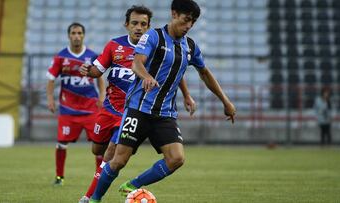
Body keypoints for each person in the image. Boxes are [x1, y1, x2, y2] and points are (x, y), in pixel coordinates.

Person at [88, 0, 236, 202]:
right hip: (138, 109)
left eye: (192, 23)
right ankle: (95, 199)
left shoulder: (190, 46)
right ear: (174, 14)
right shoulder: (153, 36)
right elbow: (136, 63)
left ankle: (134, 185)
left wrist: (225, 102)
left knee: (176, 159)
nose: (188, 27)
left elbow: (204, 72)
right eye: (186, 21)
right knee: (118, 160)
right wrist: (146, 76)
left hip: (165, 113)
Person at [78, 5, 196, 203]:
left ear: (149, 27)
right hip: (109, 109)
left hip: (134, 108)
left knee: (112, 153)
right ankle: (99, 184)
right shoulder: (114, 46)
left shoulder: (157, 44)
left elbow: (176, 71)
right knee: (98, 151)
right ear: (127, 25)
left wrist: (186, 94)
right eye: (135, 23)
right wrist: (87, 70)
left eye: (143, 24)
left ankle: (90, 197)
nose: (139, 28)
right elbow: (97, 71)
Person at [46, 22, 105, 186]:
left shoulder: (92, 56)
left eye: (79, 33)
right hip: (68, 110)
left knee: (99, 145)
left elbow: (100, 77)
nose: (77, 36)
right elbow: (51, 79)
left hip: (91, 109)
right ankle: (59, 178)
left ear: (83, 35)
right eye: (73, 33)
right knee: (61, 143)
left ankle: (99, 179)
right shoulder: (61, 57)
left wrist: (102, 95)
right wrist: (50, 99)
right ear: (69, 35)